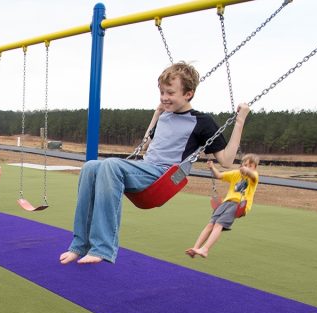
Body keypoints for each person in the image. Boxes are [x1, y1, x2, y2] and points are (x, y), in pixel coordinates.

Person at [60, 61, 250, 265]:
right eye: (162, 93)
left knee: (110, 165)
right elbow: (146, 143)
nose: (164, 98)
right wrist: (157, 113)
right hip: (145, 168)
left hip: (164, 176)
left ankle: (103, 248)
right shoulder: (165, 115)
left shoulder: (202, 122)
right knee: (90, 166)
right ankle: (79, 245)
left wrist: (239, 122)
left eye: (170, 93)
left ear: (188, 94)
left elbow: (227, 161)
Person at [185, 153, 261, 259]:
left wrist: (246, 170)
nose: (246, 167)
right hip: (226, 202)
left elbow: (252, 175)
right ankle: (195, 248)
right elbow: (219, 176)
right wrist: (212, 167)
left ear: (255, 167)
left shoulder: (254, 176)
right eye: (245, 164)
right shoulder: (236, 173)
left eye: (250, 166)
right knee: (210, 224)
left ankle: (205, 249)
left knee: (218, 225)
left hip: (239, 204)